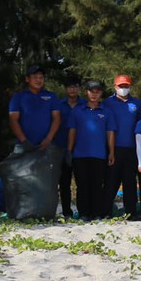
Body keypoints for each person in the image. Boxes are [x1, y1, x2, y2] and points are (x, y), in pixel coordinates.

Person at [67, 81, 115, 218]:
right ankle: (84, 213)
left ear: (101, 93)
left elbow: (110, 132)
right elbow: (72, 131)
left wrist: (111, 151)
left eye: (97, 92)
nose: (94, 95)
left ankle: (96, 213)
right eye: (91, 91)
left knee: (97, 185)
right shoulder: (77, 111)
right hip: (80, 154)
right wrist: (69, 151)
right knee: (82, 186)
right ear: (86, 92)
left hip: (99, 154)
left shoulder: (106, 112)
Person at [106, 73, 141, 218]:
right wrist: (109, 150)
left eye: (126, 86)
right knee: (111, 181)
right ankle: (106, 211)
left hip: (131, 148)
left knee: (130, 182)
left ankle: (131, 212)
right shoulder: (107, 103)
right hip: (113, 148)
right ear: (115, 87)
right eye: (121, 86)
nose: (123, 88)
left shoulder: (137, 104)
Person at [7, 64, 62, 154]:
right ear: (27, 79)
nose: (38, 80)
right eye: (35, 77)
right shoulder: (18, 97)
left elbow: (57, 118)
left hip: (47, 145)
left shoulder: (51, 96)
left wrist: (48, 139)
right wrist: (24, 141)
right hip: (23, 145)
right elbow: (13, 120)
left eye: (41, 77)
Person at [56, 73, 84, 218]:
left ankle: (82, 210)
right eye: (69, 87)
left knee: (81, 181)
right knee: (64, 182)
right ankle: (66, 211)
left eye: (75, 86)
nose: (72, 89)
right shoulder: (58, 105)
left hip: (81, 148)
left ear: (79, 88)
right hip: (61, 146)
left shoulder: (85, 105)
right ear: (66, 89)